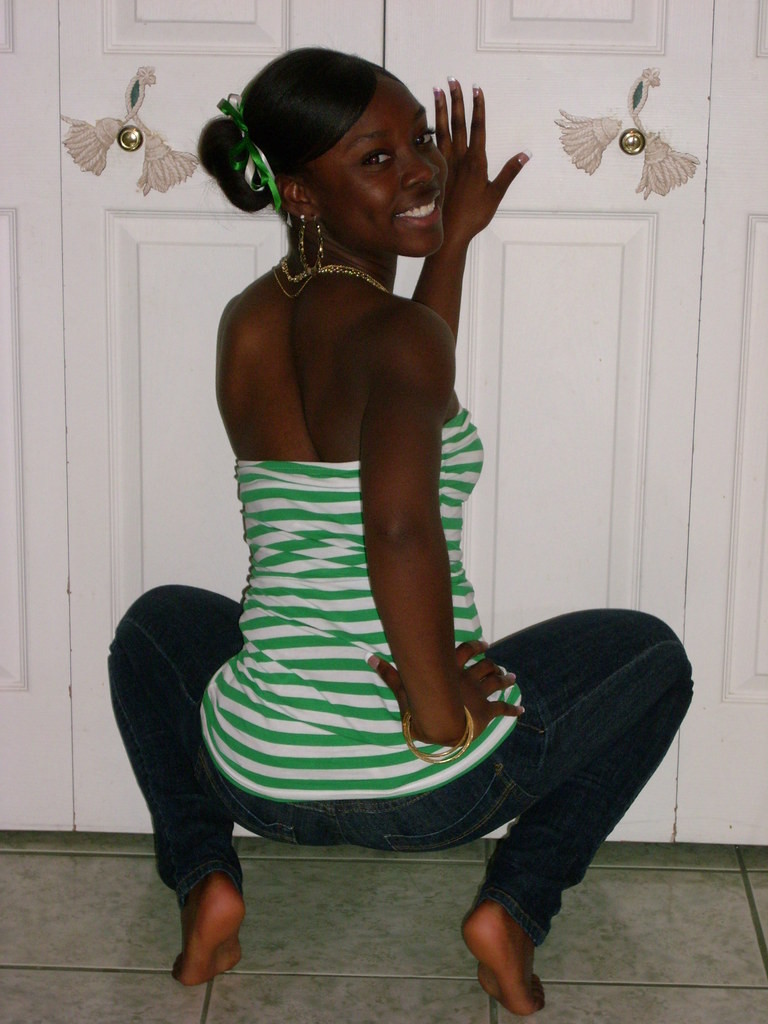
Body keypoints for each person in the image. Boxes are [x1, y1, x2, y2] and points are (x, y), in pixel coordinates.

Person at [108, 47, 693, 1016]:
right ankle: (516, 907)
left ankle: (206, 875)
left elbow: (396, 378)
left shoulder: (248, 324)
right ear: (301, 191)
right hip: (425, 787)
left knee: (155, 627)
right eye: (376, 159)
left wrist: (451, 244)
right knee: (654, 657)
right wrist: (436, 712)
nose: (421, 169)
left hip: (257, 772)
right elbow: (396, 527)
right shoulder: (397, 338)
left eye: (419, 140)